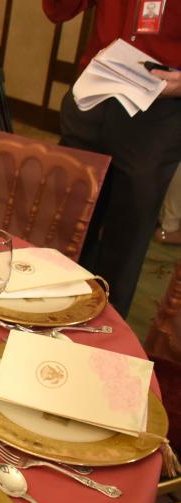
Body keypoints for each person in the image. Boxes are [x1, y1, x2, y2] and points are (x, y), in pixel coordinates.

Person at [42, 1, 181, 316]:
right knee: (66, 226)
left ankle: (102, 332)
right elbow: (57, 11)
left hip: (160, 106)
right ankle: (45, 318)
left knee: (124, 242)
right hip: (95, 93)